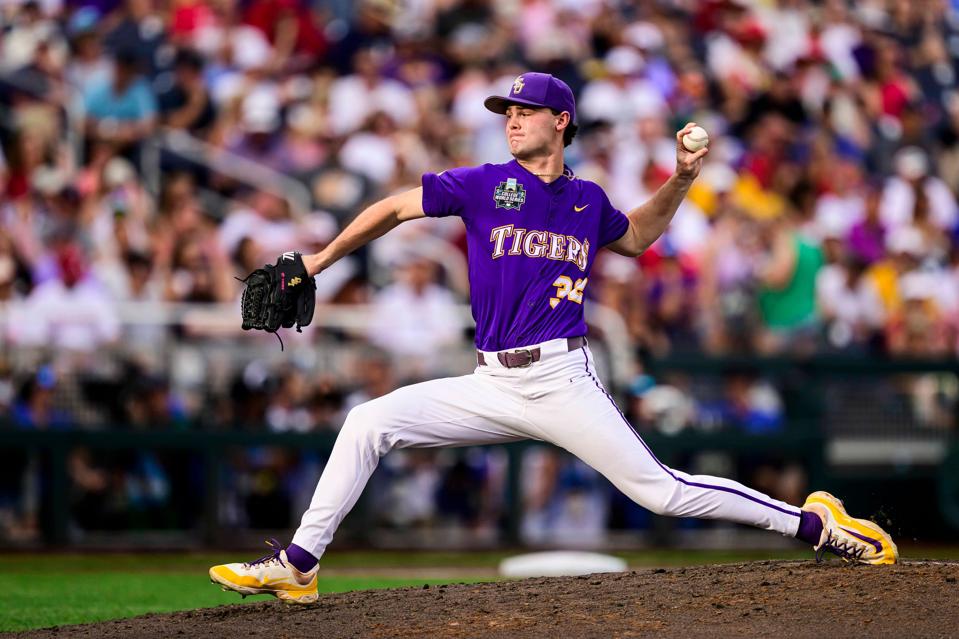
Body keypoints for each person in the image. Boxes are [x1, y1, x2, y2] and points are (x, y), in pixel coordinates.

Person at [209, 72, 898, 604]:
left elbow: (637, 236)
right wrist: (318, 259)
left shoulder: (585, 199)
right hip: (489, 381)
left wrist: (682, 178)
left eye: (523, 110)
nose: (509, 119)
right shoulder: (483, 184)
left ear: (560, 121)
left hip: (561, 378)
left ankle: (813, 523)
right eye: (504, 112)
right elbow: (392, 207)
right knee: (366, 422)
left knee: (660, 491)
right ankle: (298, 566)